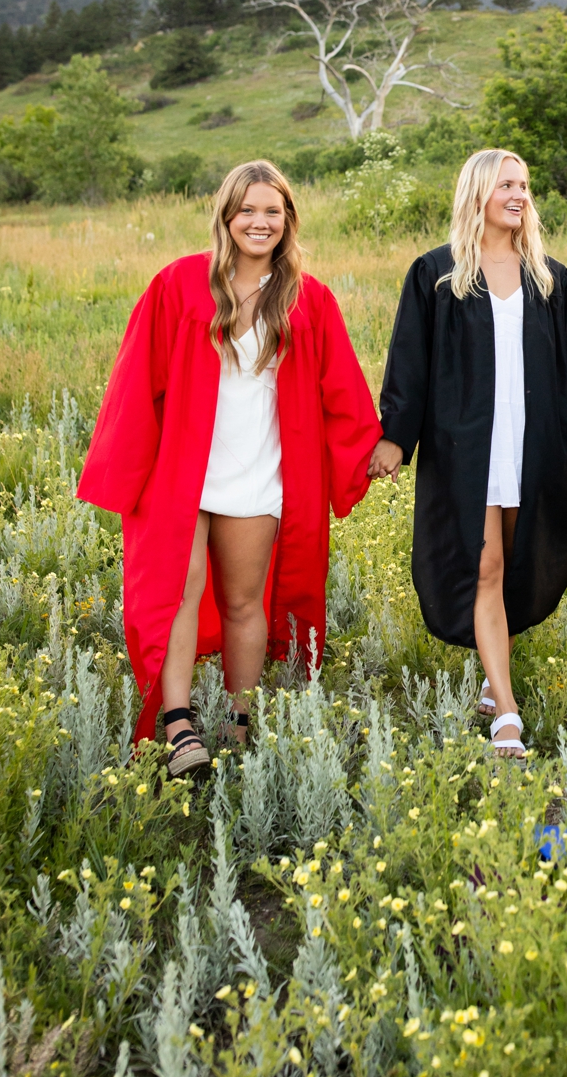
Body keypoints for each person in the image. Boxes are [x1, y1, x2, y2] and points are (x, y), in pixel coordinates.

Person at [76, 160, 379, 773]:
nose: (259, 222)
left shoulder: (308, 299)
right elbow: (137, 376)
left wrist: (372, 446)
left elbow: (340, 387)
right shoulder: (181, 284)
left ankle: (240, 722)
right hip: (182, 472)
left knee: (246, 603)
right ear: (226, 216)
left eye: (273, 211)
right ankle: (179, 723)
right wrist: (123, 464)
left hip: (259, 471)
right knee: (179, 591)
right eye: (247, 210)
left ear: (288, 220)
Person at [373, 149, 567, 759]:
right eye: (508, 184)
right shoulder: (436, 275)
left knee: (517, 562)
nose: (520, 194)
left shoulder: (550, 279)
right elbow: (408, 362)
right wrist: (394, 436)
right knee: (483, 567)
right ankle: (506, 712)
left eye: (525, 185)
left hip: (535, 443)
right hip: (466, 447)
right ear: (478, 192)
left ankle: (493, 670)